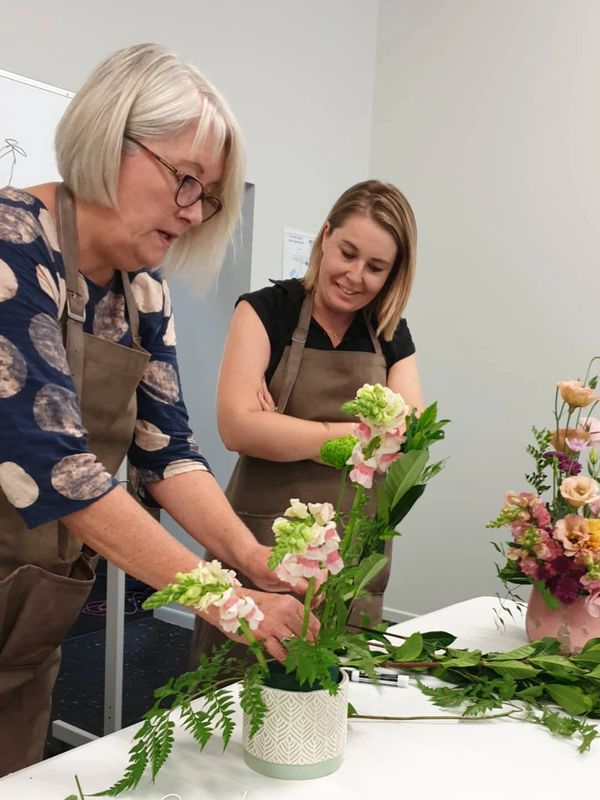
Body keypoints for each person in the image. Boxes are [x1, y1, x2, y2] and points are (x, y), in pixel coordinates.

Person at [0, 43, 316, 777]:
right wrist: (234, 606)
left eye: (206, 195)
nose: (193, 211)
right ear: (110, 138)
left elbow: (168, 453)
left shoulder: (141, 294)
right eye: (184, 179)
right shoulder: (15, 241)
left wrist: (254, 558)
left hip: (22, 636)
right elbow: (61, 471)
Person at [191, 179, 424, 663]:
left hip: (352, 553)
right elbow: (236, 427)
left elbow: (407, 439)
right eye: (348, 252)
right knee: (236, 690)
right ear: (325, 236)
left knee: (331, 696)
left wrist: (283, 428)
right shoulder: (264, 311)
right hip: (262, 541)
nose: (355, 275)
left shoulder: (389, 333)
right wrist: (348, 438)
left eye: (376, 267)